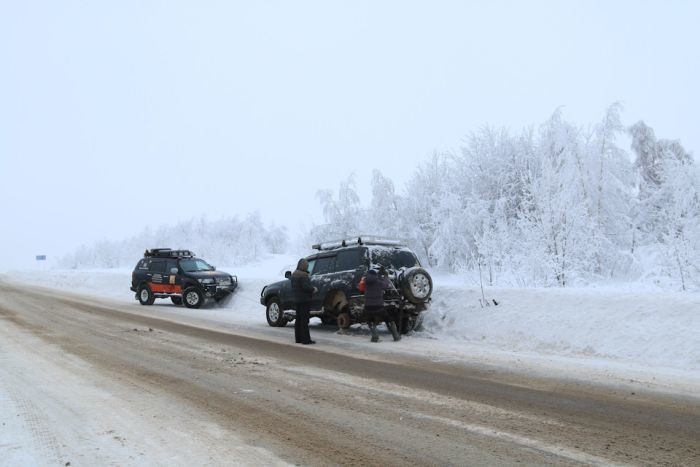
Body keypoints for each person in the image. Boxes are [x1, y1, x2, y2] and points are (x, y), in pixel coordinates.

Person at [363, 267, 400, 343]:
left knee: (370, 321)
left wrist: (378, 275)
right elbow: (385, 284)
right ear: (375, 275)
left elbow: (373, 281)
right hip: (378, 308)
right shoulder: (379, 283)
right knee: (389, 320)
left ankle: (375, 336)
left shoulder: (366, 282)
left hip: (367, 308)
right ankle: (396, 336)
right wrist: (386, 276)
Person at [291, 258, 316, 345]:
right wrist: (313, 289)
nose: (307, 267)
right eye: (307, 266)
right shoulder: (303, 275)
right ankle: (306, 340)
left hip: (297, 300)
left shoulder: (294, 274)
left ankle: (298, 339)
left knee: (298, 319)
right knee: (304, 321)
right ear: (303, 266)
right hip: (305, 300)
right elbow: (306, 287)